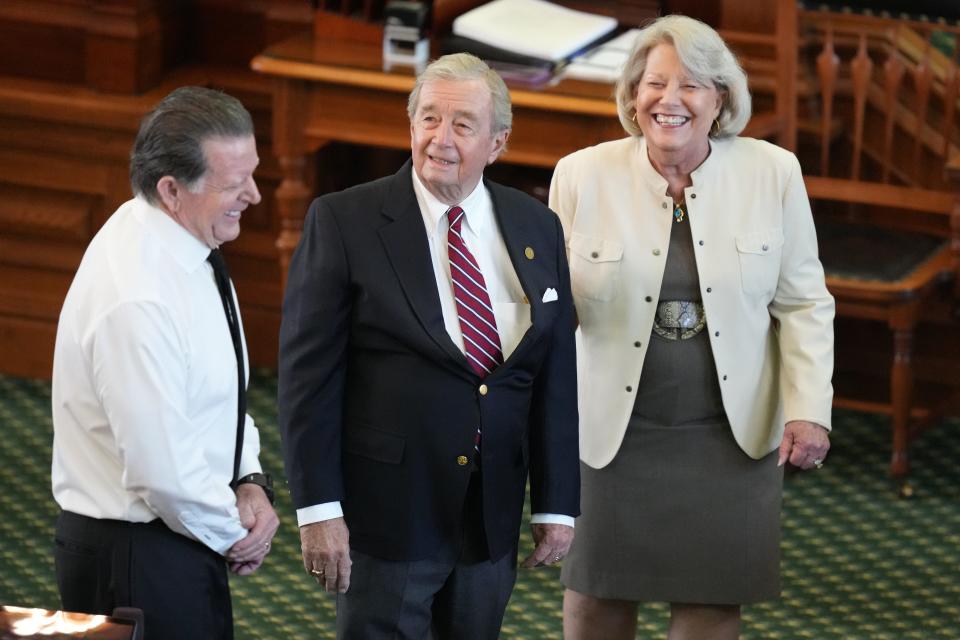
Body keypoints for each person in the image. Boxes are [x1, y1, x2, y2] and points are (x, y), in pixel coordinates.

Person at [548, 15, 835, 640]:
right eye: (653, 83)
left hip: (729, 436)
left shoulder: (773, 172)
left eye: (692, 85)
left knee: (710, 606)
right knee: (596, 601)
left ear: (721, 98)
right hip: (609, 437)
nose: (668, 100)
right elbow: (547, 313)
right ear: (631, 95)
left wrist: (808, 408)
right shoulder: (580, 175)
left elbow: (805, 303)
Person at [278, 52, 579, 639]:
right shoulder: (345, 221)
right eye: (428, 120)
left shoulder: (536, 226)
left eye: (463, 124)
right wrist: (318, 510)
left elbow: (553, 374)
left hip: (489, 517)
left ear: (497, 143)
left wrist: (555, 503)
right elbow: (306, 381)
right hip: (388, 515)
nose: (441, 139)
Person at [51, 86, 279, 639]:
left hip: (182, 535)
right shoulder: (137, 296)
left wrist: (249, 479)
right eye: (232, 184)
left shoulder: (182, 240)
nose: (253, 195)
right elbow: (163, 474)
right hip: (135, 558)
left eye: (252, 174)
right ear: (171, 189)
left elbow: (219, 396)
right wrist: (237, 534)